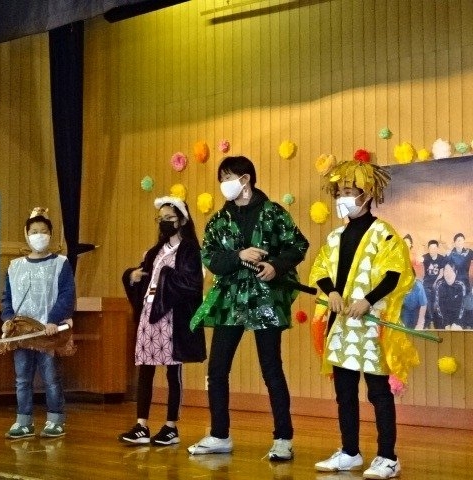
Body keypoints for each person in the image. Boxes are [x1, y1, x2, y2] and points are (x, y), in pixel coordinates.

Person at [187, 155, 309, 461]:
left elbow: (298, 245)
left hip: (266, 300)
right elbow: (210, 257)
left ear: (246, 179)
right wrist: (238, 256)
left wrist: (275, 266)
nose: (224, 184)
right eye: (221, 179)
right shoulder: (219, 220)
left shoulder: (273, 213)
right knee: (217, 369)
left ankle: (283, 438)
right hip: (229, 301)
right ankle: (219, 434)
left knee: (271, 368)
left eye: (229, 177)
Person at [309, 158, 419, 479]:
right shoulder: (335, 237)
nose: (342, 198)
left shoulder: (384, 234)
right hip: (342, 326)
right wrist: (331, 292)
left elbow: (395, 274)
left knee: (378, 393)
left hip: (371, 328)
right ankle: (350, 452)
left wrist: (368, 301)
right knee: (344, 393)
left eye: (348, 192)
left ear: (366, 194)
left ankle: (388, 457)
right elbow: (321, 269)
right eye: (339, 193)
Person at [119, 196, 206, 445]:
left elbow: (191, 284)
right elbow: (144, 275)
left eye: (170, 218)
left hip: (172, 317)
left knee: (172, 371)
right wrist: (132, 276)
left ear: (182, 220)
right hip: (149, 315)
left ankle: (171, 426)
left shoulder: (189, 250)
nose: (164, 222)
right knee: (145, 369)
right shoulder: (155, 251)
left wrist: (165, 275)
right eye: (161, 218)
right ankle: (141, 425)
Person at [1, 207, 76, 439]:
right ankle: (24, 421)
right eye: (34, 231)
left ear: (50, 234)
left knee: (51, 378)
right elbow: (7, 297)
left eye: (43, 231)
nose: (39, 235)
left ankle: (55, 420)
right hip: (21, 332)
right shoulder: (14, 266)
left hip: (47, 331)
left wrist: (53, 320)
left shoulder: (61, 263)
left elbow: (67, 294)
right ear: (26, 234)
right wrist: (7, 319)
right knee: (22, 379)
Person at [433, 261, 467, 329]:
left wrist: (456, 323)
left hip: (457, 318)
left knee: (456, 329)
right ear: (443, 273)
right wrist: (446, 323)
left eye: (451, 271)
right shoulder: (440, 285)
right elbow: (439, 306)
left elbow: (462, 307)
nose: (448, 274)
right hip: (443, 318)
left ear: (456, 272)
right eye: (446, 271)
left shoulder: (461, 285)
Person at [422, 239, 446, 328]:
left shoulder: (441, 258)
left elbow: (441, 273)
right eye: (431, 248)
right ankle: (430, 321)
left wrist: (435, 283)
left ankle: (436, 321)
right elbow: (420, 267)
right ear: (428, 249)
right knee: (427, 297)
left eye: (435, 248)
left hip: (438, 283)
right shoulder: (424, 257)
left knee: (437, 296)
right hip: (427, 283)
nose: (433, 250)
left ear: (437, 248)